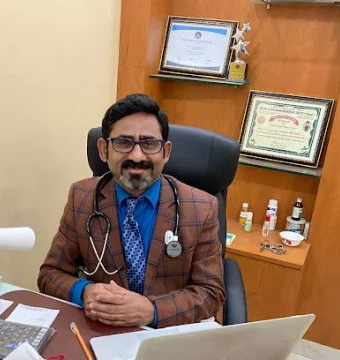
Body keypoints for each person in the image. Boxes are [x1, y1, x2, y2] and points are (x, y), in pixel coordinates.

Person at [37, 93, 225, 328]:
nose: (137, 156)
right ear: (104, 149)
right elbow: (50, 274)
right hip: (102, 329)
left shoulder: (202, 208)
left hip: (166, 334)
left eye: (149, 143)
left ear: (166, 152)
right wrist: (84, 291)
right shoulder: (81, 197)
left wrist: (152, 310)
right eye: (124, 143)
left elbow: (211, 292)